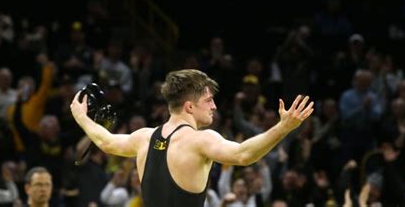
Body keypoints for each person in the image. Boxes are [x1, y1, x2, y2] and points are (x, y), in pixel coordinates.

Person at [70, 69, 314, 207]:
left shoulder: (143, 138)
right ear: (188, 107)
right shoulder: (201, 140)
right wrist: (284, 128)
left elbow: (106, 142)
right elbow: (243, 154)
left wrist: (81, 117)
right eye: (208, 100)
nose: (215, 107)